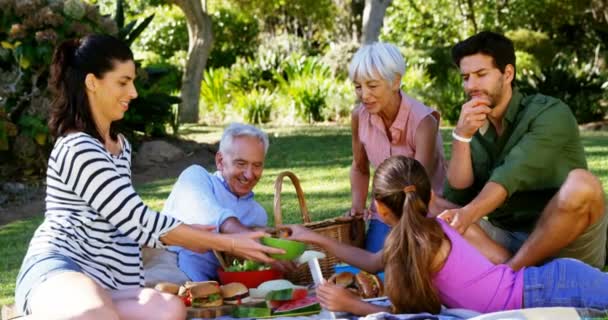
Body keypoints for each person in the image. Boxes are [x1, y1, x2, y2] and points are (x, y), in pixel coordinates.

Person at [14, 34, 283, 320]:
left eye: (132, 82)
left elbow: (123, 221)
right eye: (122, 82)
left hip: (107, 281)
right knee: (96, 314)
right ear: (92, 83)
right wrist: (227, 242)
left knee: (169, 309)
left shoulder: (120, 146)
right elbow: (137, 220)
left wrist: (189, 233)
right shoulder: (78, 147)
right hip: (62, 269)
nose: (133, 92)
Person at [287, 156, 608, 315]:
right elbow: (372, 261)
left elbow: (410, 317)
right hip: (551, 281)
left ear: (381, 209)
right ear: (427, 197)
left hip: (546, 290)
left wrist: (350, 304)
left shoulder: (415, 245)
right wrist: (315, 238)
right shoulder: (438, 227)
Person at [439, 31, 607, 271]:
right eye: (466, 77)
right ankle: (513, 269)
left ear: (508, 74)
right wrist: (461, 137)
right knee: (430, 206)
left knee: (583, 185)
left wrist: (467, 215)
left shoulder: (550, 113)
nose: (471, 85)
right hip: (507, 240)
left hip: (567, 242)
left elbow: (512, 173)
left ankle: (510, 275)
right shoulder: (475, 124)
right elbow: (456, 198)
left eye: (481, 74)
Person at [347, 42, 453, 253]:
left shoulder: (424, 122)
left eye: (372, 85)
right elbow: (359, 167)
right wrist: (357, 208)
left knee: (402, 271)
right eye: (358, 86)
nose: (364, 95)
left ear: (395, 81)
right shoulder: (359, 116)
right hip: (385, 211)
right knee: (375, 274)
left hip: (423, 210)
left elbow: (416, 186)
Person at [160, 123, 294, 281]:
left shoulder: (257, 214)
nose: (249, 175)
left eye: (257, 165)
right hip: (168, 271)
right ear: (220, 161)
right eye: (241, 164)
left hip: (216, 291)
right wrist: (264, 249)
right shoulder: (195, 177)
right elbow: (215, 217)